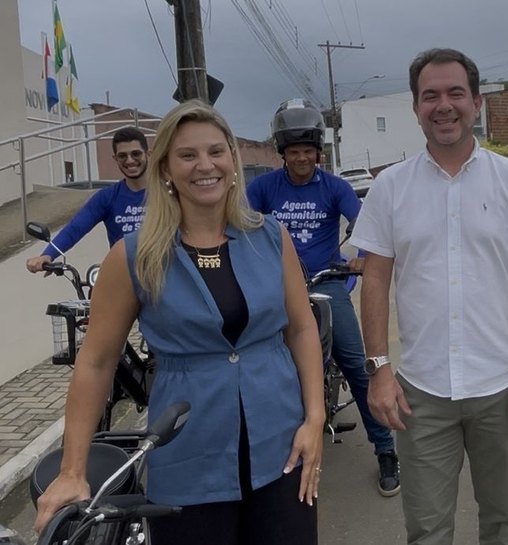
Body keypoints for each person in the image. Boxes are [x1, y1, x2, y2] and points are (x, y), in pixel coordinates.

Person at [33, 100, 325, 544]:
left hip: (281, 450)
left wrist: (314, 419)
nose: (204, 165)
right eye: (188, 155)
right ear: (165, 168)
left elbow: (301, 329)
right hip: (190, 459)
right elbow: (95, 363)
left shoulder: (270, 237)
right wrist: (73, 470)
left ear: (232, 159)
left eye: (216, 151)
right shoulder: (134, 256)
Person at [351, 48, 508, 545]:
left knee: (504, 525)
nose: (443, 106)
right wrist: (379, 369)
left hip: (503, 389)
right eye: (430, 96)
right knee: (426, 530)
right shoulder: (390, 188)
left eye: (454, 94)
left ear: (476, 104)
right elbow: (376, 279)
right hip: (420, 394)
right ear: (415, 108)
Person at [246, 98, 400, 497]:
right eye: (293, 151)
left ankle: (385, 450)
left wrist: (363, 256)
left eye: (308, 151)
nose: (301, 158)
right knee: (257, 360)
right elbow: (239, 224)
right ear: (283, 153)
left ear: (318, 152)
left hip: (327, 283)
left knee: (355, 361)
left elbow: (364, 223)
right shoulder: (262, 187)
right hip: (277, 287)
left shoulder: (335, 187)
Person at [26, 126, 149, 273]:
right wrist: (48, 255)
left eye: (136, 154)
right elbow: (76, 227)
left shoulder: (168, 193)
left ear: (148, 154)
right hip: (124, 278)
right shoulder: (107, 197)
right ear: (115, 159)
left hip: (166, 278)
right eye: (122, 156)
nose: (130, 160)